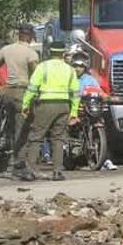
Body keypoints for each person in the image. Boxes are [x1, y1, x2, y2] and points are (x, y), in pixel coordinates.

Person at [17, 53, 80, 181]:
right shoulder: (70, 69)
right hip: (63, 105)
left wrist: (25, 104)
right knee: (58, 139)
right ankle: (57, 172)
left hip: (45, 105)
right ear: (63, 54)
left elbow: (32, 87)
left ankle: (30, 171)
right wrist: (74, 112)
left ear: (50, 53)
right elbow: (75, 92)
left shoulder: (42, 67)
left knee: (36, 137)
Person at [0, 25, 39, 166]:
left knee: (10, 122)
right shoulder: (31, 53)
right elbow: (36, 74)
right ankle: (19, 162)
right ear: (30, 36)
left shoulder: (6, 49)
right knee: (23, 128)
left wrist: (2, 82)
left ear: (19, 35)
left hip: (8, 91)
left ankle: (4, 143)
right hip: (23, 92)